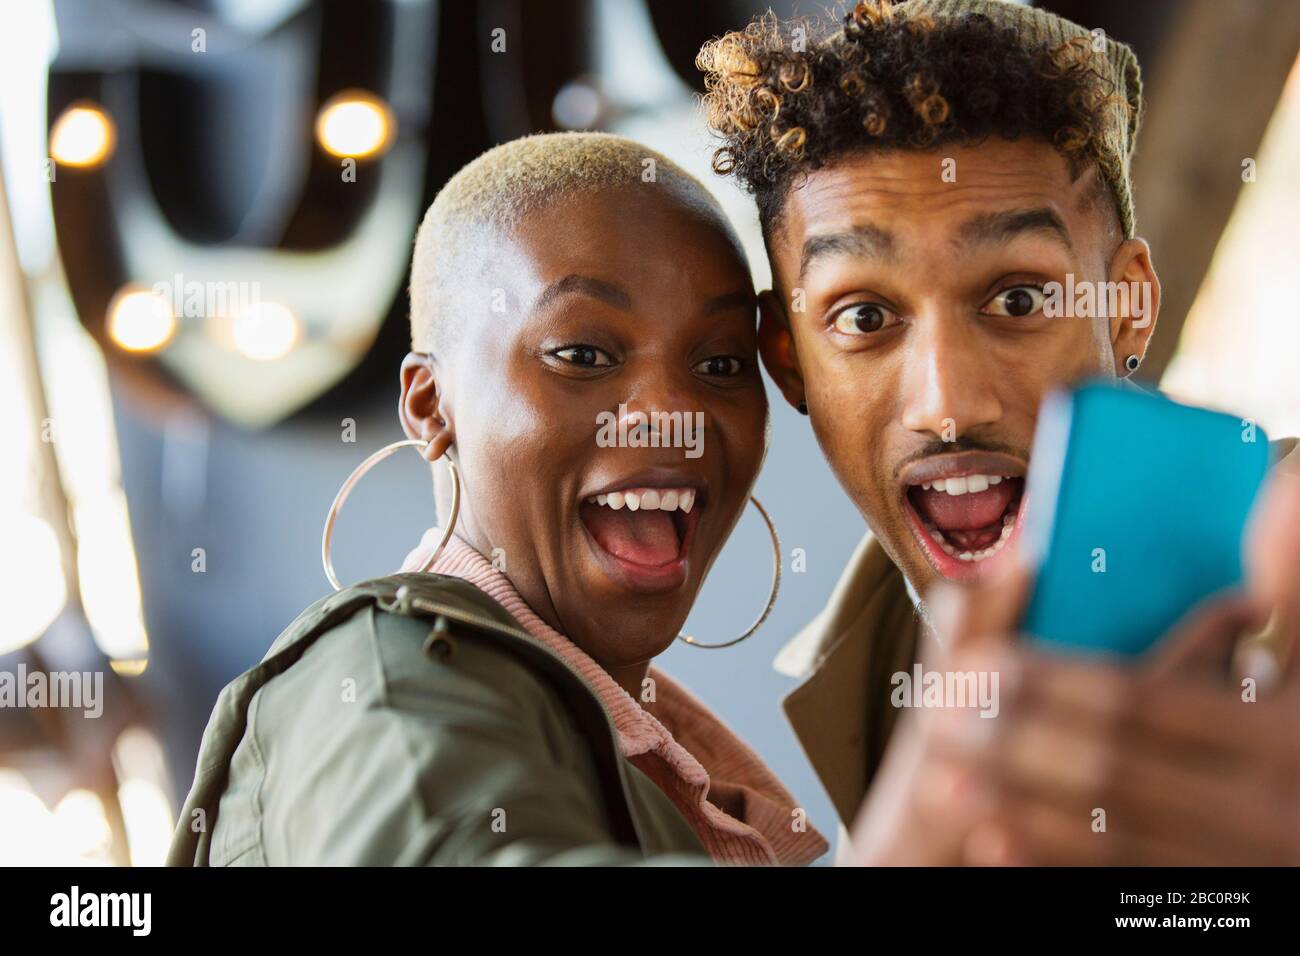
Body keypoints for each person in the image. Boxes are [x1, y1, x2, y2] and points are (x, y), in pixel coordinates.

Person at [699, 0, 1300, 863]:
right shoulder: (861, 664)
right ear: (789, 361)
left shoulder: (1279, 562)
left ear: (1127, 305)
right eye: (865, 315)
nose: (949, 402)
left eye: (1018, 300)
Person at [166, 133, 828, 866]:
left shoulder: (634, 731)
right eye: (582, 355)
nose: (674, 414)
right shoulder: (388, 683)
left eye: (720, 362)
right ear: (431, 406)